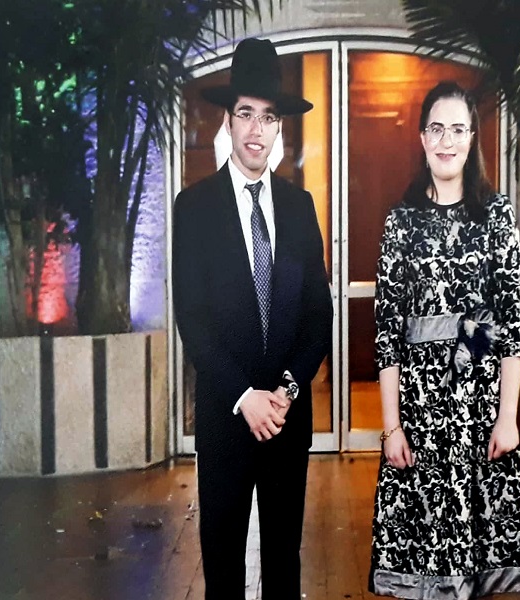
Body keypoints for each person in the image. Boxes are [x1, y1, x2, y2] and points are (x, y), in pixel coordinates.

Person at [172, 37, 333, 600]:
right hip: (227, 417)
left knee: (284, 567)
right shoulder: (194, 208)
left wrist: (285, 392)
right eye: (246, 114)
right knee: (222, 570)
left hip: (286, 420)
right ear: (229, 120)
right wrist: (246, 397)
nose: (256, 130)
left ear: (279, 126)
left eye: (268, 117)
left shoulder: (299, 206)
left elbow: (318, 315)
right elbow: (192, 319)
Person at [368, 81, 520, 598]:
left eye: (458, 129)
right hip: (419, 411)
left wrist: (507, 417)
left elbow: (511, 323)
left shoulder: (496, 215)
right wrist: (391, 428)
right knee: (424, 562)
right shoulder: (401, 222)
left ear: (472, 139)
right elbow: (388, 332)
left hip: (479, 408)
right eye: (437, 129)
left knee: (476, 563)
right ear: (422, 138)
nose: (447, 141)